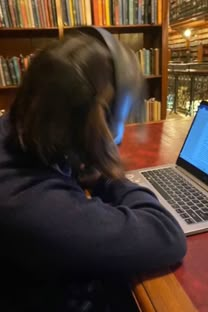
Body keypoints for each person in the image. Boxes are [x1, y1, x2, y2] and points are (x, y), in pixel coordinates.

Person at [0, 32, 186, 312]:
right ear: (100, 125)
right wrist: (110, 170)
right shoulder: (34, 205)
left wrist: (90, 161)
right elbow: (166, 234)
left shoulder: (19, 128)